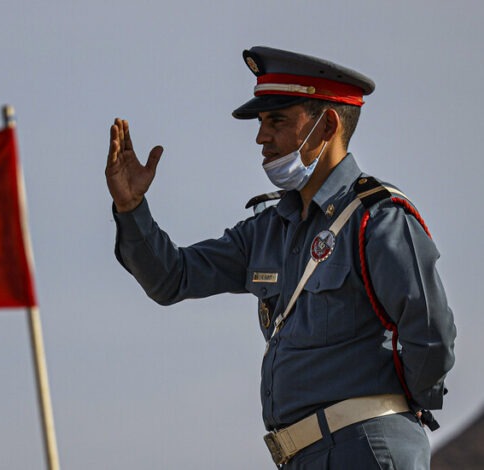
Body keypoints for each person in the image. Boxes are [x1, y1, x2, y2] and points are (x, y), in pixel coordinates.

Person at [106, 46, 456, 469]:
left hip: (365, 447)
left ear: (327, 125)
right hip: (302, 456)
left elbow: (431, 333)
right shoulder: (269, 230)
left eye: (277, 121)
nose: (261, 137)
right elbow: (172, 278)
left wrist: (395, 410)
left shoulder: (377, 219)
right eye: (261, 123)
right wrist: (131, 208)